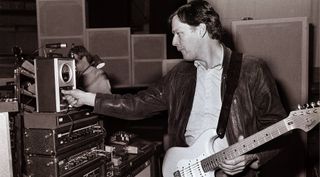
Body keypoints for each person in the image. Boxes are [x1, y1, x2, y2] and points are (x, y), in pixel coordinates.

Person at [62, 1, 287, 176]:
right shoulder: (181, 74)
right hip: (187, 168)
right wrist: (87, 98)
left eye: (179, 34)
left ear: (201, 30)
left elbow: (280, 129)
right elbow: (138, 104)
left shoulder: (251, 69)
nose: (174, 43)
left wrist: (251, 158)